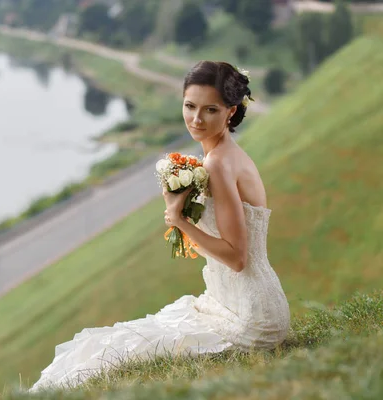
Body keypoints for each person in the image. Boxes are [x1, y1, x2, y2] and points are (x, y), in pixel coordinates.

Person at [29, 61, 290, 392]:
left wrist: (178, 219)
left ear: (231, 112)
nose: (196, 119)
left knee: (117, 351)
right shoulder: (224, 155)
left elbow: (238, 257)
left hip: (251, 318)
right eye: (190, 106)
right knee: (120, 343)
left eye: (210, 109)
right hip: (232, 302)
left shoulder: (219, 164)